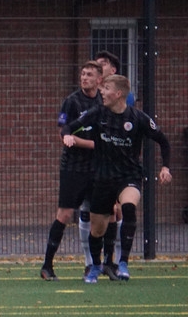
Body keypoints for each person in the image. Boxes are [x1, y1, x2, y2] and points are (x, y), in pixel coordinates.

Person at [61, 75, 172, 283]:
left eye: (106, 88)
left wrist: (165, 167)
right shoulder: (97, 113)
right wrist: (66, 135)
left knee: (128, 206)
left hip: (129, 175)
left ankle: (123, 263)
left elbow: (163, 141)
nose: (101, 92)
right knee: (97, 230)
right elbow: (69, 126)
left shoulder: (138, 118)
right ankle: (96, 265)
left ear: (118, 93)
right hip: (103, 178)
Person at [39, 61, 102, 281]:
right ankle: (47, 265)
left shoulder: (103, 102)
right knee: (65, 214)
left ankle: (97, 264)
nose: (84, 78)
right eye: (83, 74)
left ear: (99, 80)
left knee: (100, 215)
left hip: (97, 167)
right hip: (73, 167)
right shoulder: (72, 101)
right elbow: (64, 132)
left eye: (89, 75)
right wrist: (85, 142)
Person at [93, 50, 136, 274]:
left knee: (119, 210)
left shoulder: (123, 98)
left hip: (118, 166)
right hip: (94, 162)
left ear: (113, 69)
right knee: (95, 215)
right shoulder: (94, 94)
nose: (98, 69)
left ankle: (115, 260)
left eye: (103, 65)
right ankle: (93, 262)